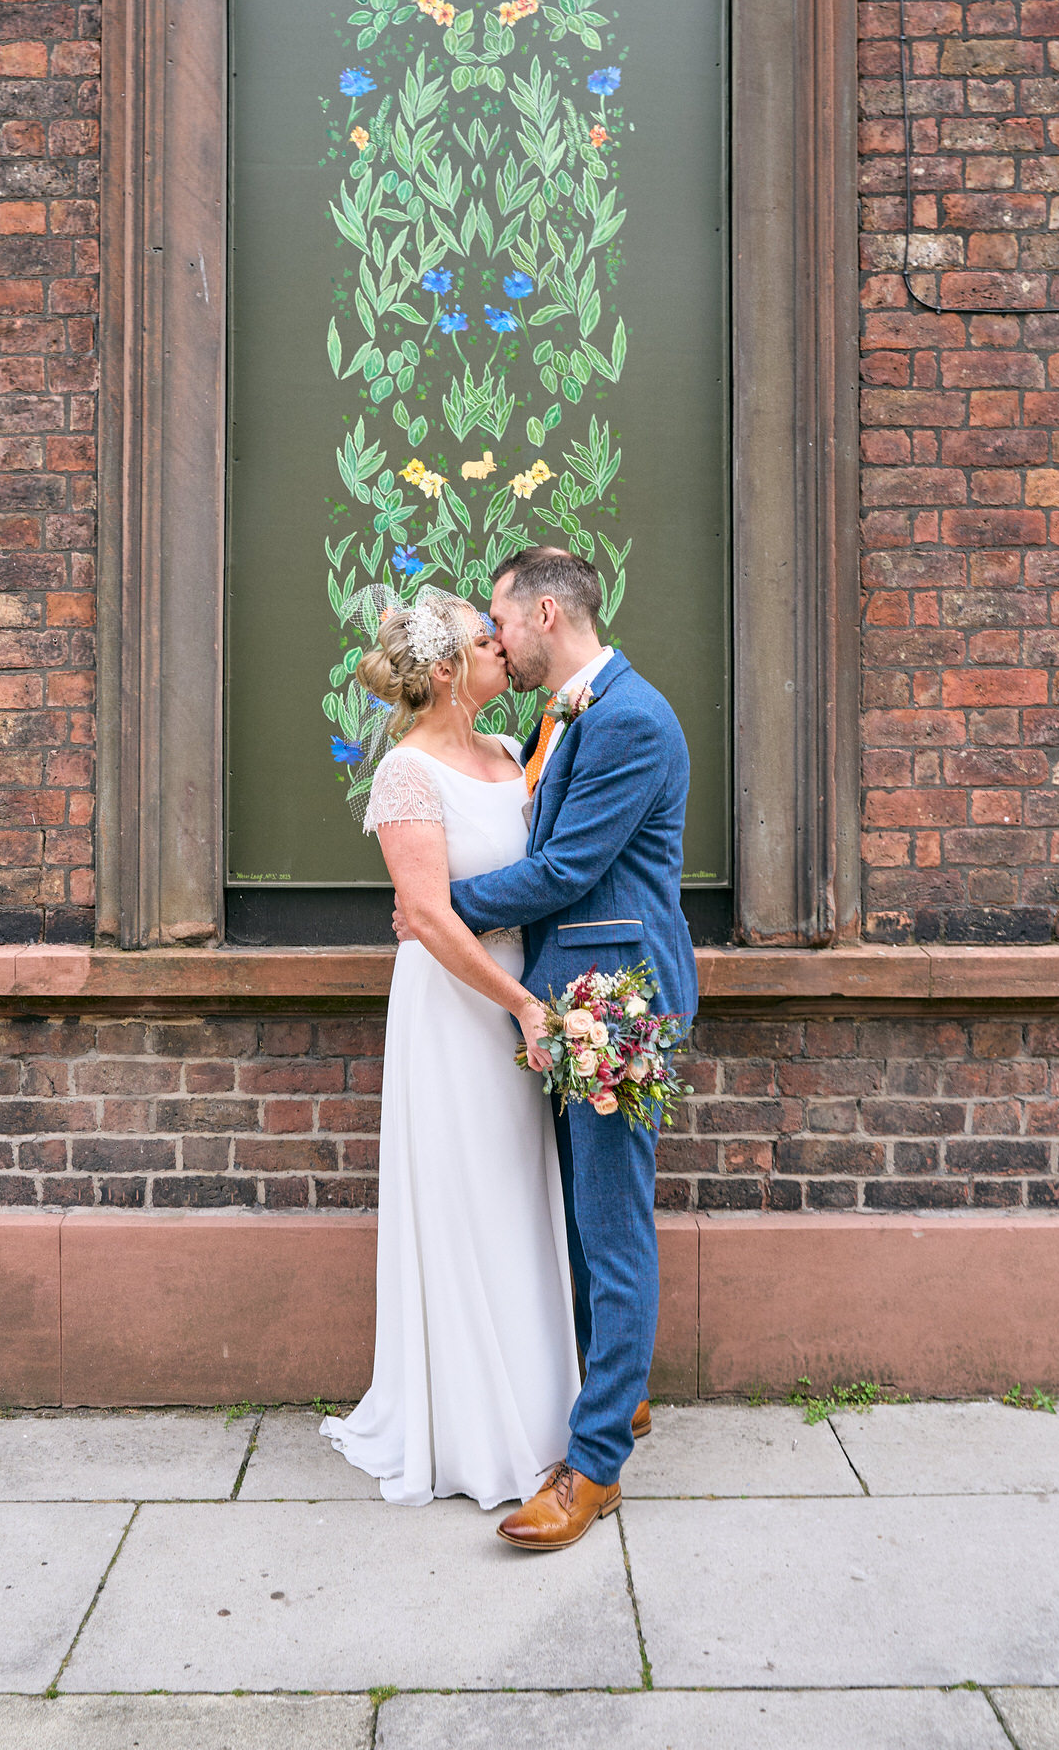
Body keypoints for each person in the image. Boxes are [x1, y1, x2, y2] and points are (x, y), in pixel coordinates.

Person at [420, 546, 699, 1551]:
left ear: (546, 612)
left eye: (501, 622)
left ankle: (592, 1470)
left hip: (613, 997)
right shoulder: (564, 710)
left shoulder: (626, 717)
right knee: (583, 1218)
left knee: (611, 1224)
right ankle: (617, 1400)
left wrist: (437, 907)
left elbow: (568, 867)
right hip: (566, 993)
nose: (495, 642)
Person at [320, 586, 580, 1509]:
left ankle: (550, 1410)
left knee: (517, 1192)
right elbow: (426, 915)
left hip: (519, 1004)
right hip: (460, 1010)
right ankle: (471, 1430)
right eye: (483, 639)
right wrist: (519, 1003)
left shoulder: (513, 752)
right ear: (445, 671)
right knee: (466, 1195)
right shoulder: (405, 775)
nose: (501, 647)